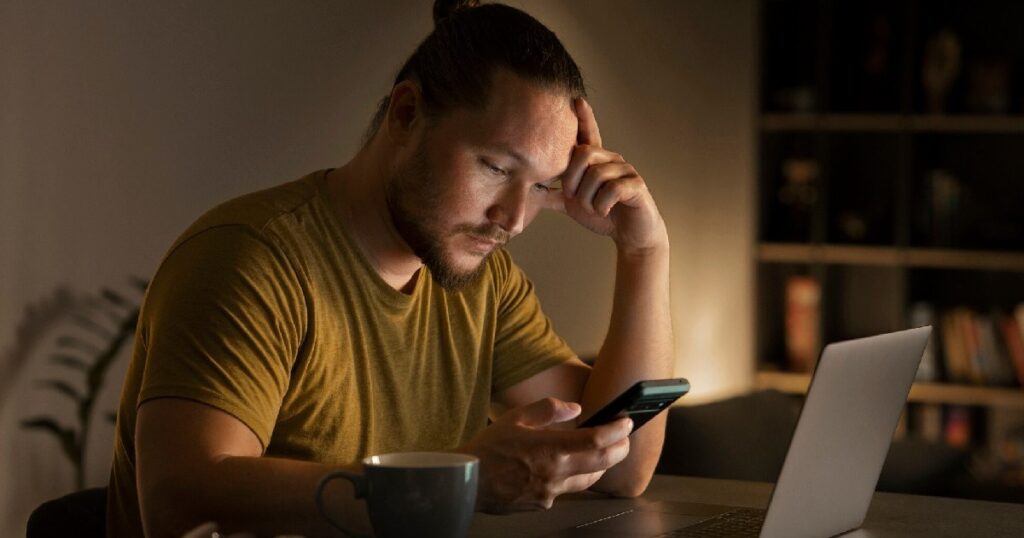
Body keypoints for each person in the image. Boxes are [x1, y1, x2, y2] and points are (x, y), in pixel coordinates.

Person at [106, 1, 673, 536]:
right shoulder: (250, 259)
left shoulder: (482, 283)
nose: (514, 219)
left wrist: (644, 252)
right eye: (497, 168)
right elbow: (177, 503)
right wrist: (455, 482)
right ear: (405, 114)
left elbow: (622, 470)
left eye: (542, 186)